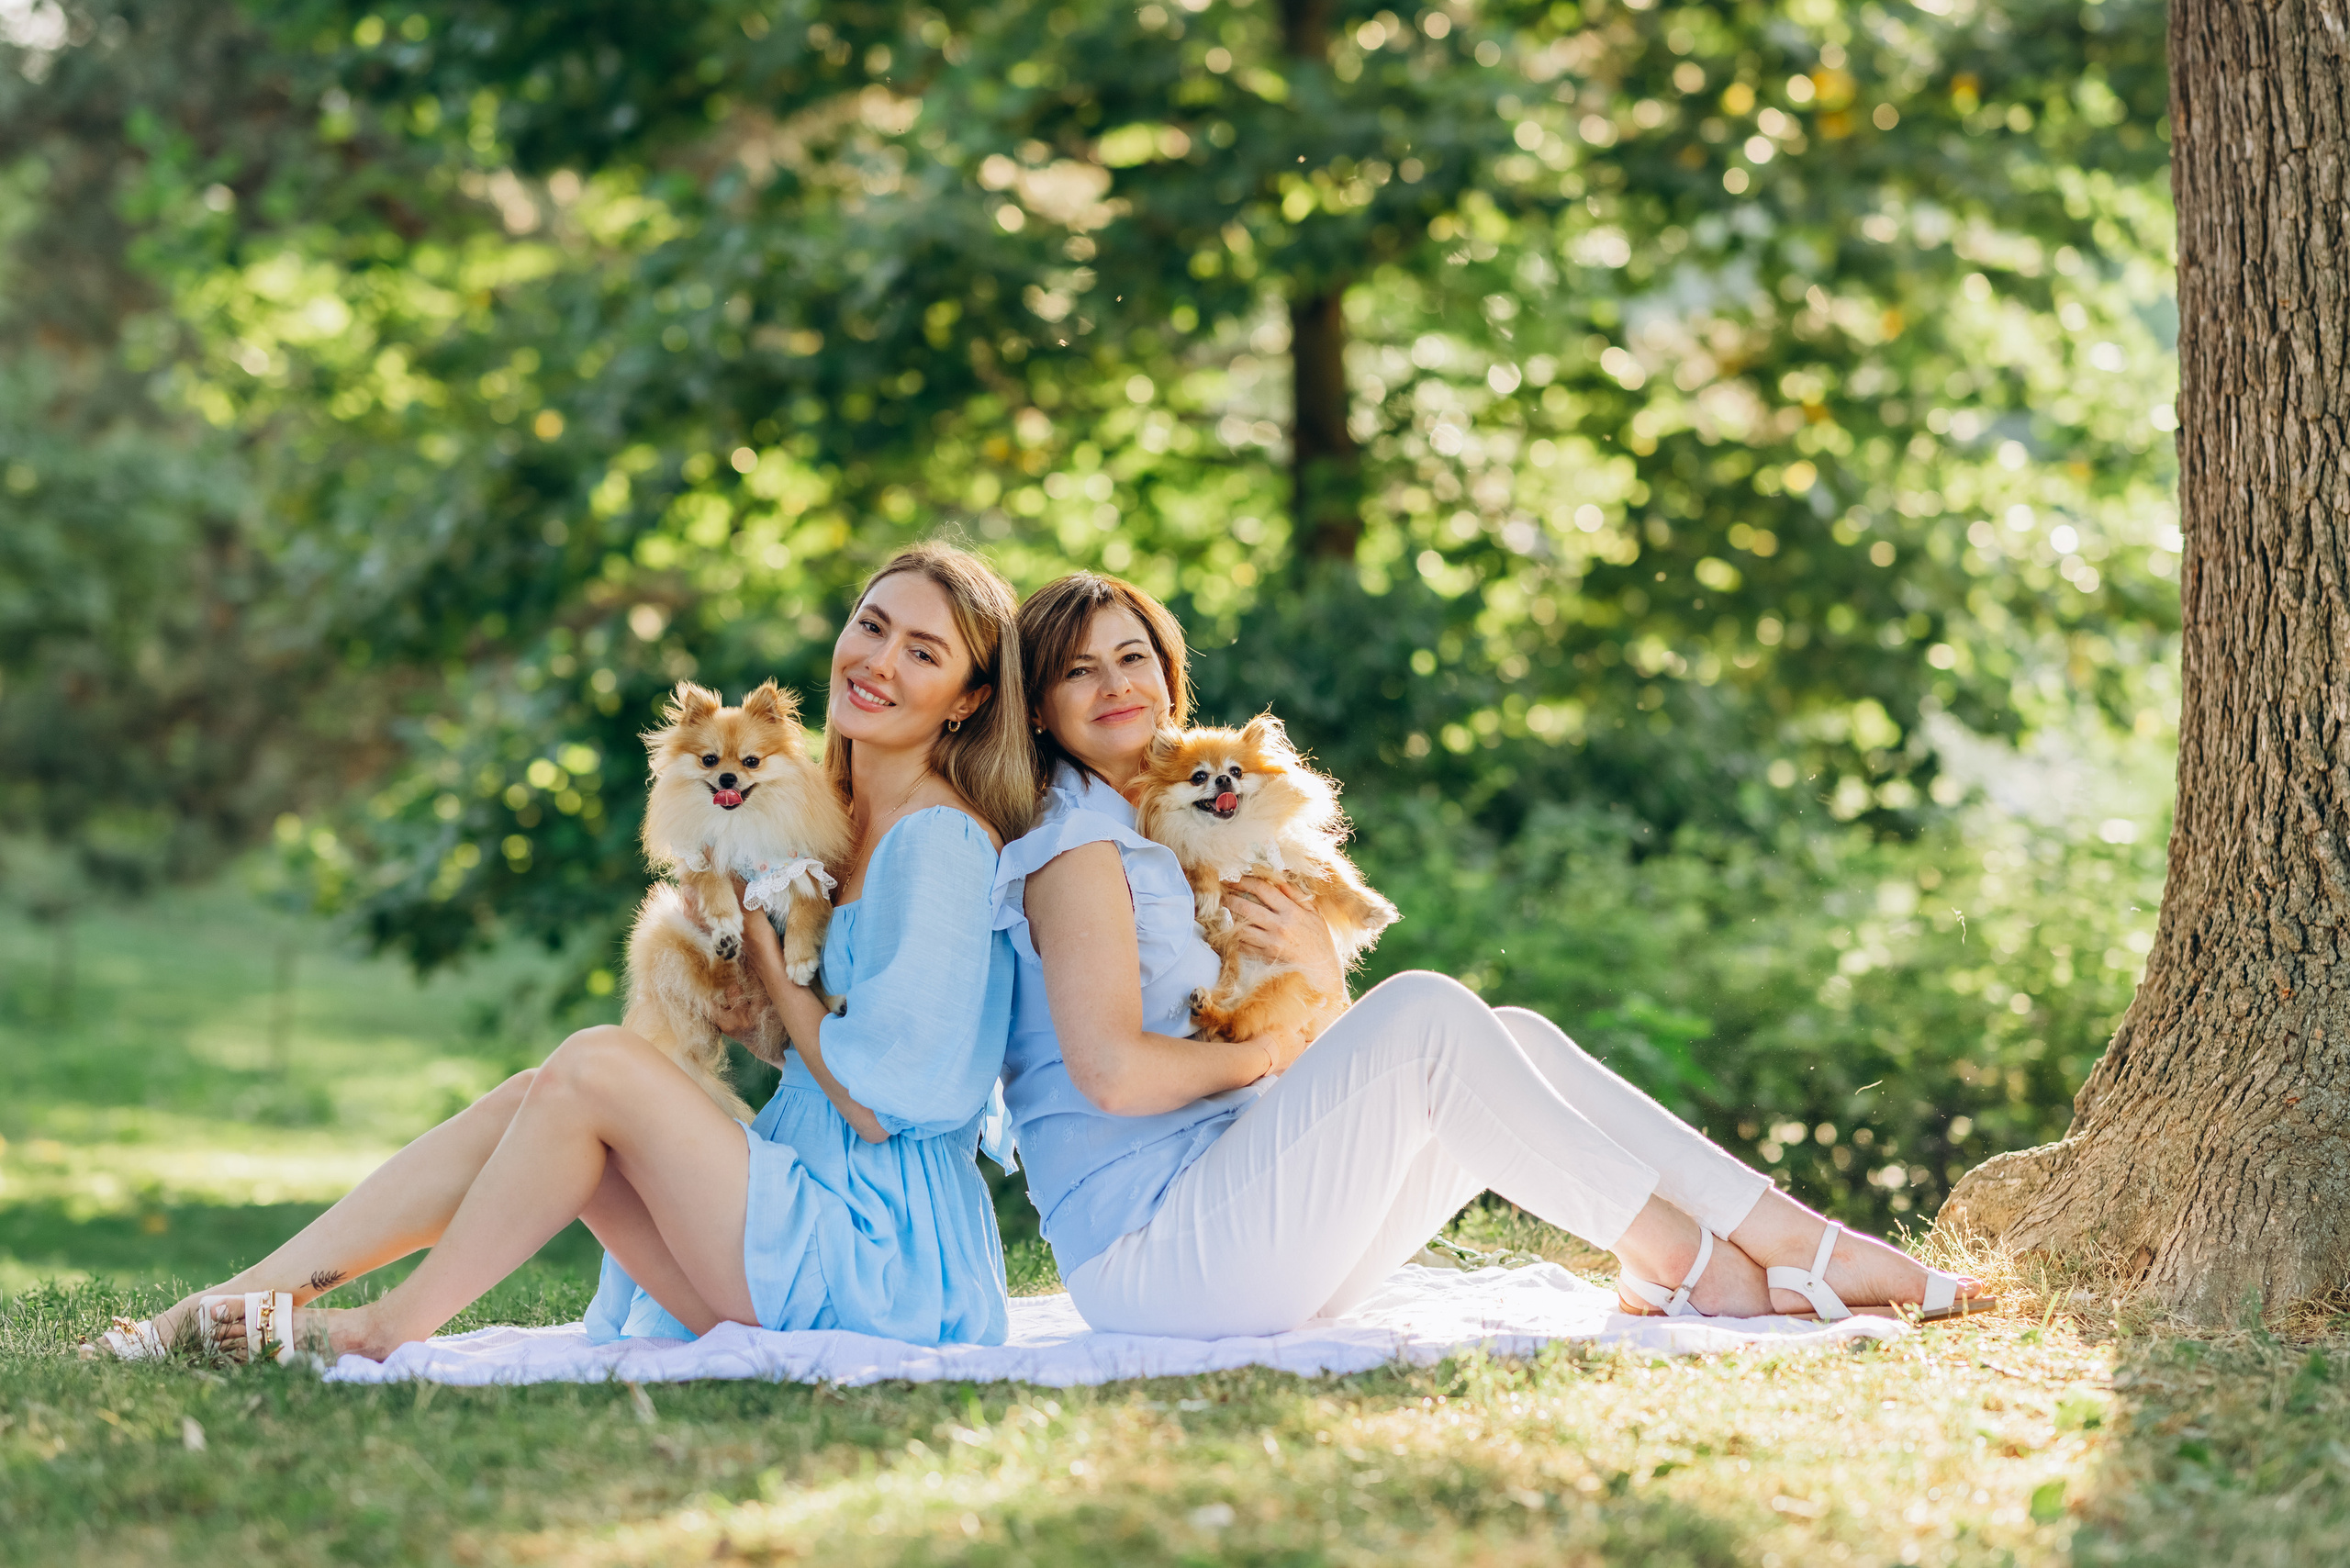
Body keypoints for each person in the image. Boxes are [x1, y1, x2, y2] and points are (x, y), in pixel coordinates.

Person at [991, 571, 1990, 1339]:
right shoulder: (1075, 851)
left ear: (1169, 676)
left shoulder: (1184, 833)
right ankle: (1696, 1264)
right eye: (1078, 669)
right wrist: (1269, 1058)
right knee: (1426, 1010)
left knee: (1506, 1034)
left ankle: (1795, 1243)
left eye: (1133, 657)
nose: (1116, 684)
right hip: (1163, 1259)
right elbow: (1114, 1075)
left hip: (1250, 1222)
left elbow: (1290, 1024)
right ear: (1038, 706)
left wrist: (1319, 983)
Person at [97, 543, 1033, 1362]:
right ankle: (227, 1305)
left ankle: (383, 1327)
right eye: (870, 626)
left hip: (882, 1255)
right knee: (539, 1094)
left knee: (593, 1064)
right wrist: (744, 1009)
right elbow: (825, 1042)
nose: (878, 660)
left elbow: (879, 1101)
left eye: (923, 652)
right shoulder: (830, 817)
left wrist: (756, 934)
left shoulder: (940, 842)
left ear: (969, 698)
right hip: (791, 1213)